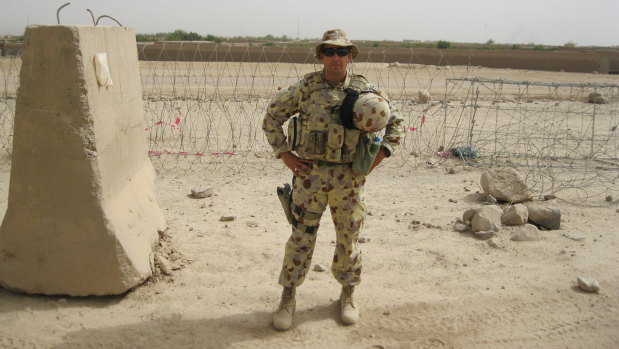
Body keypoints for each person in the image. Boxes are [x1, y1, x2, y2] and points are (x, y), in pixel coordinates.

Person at [262, 29, 404, 331]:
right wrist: (285, 154)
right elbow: (272, 116)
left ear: (350, 56)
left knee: (348, 240)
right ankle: (288, 296)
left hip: (349, 181)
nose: (336, 58)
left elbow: (396, 124)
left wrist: (374, 162)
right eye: (329, 52)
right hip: (309, 178)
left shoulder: (365, 90)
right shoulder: (306, 89)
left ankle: (348, 294)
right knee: (300, 238)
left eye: (342, 52)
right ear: (320, 56)